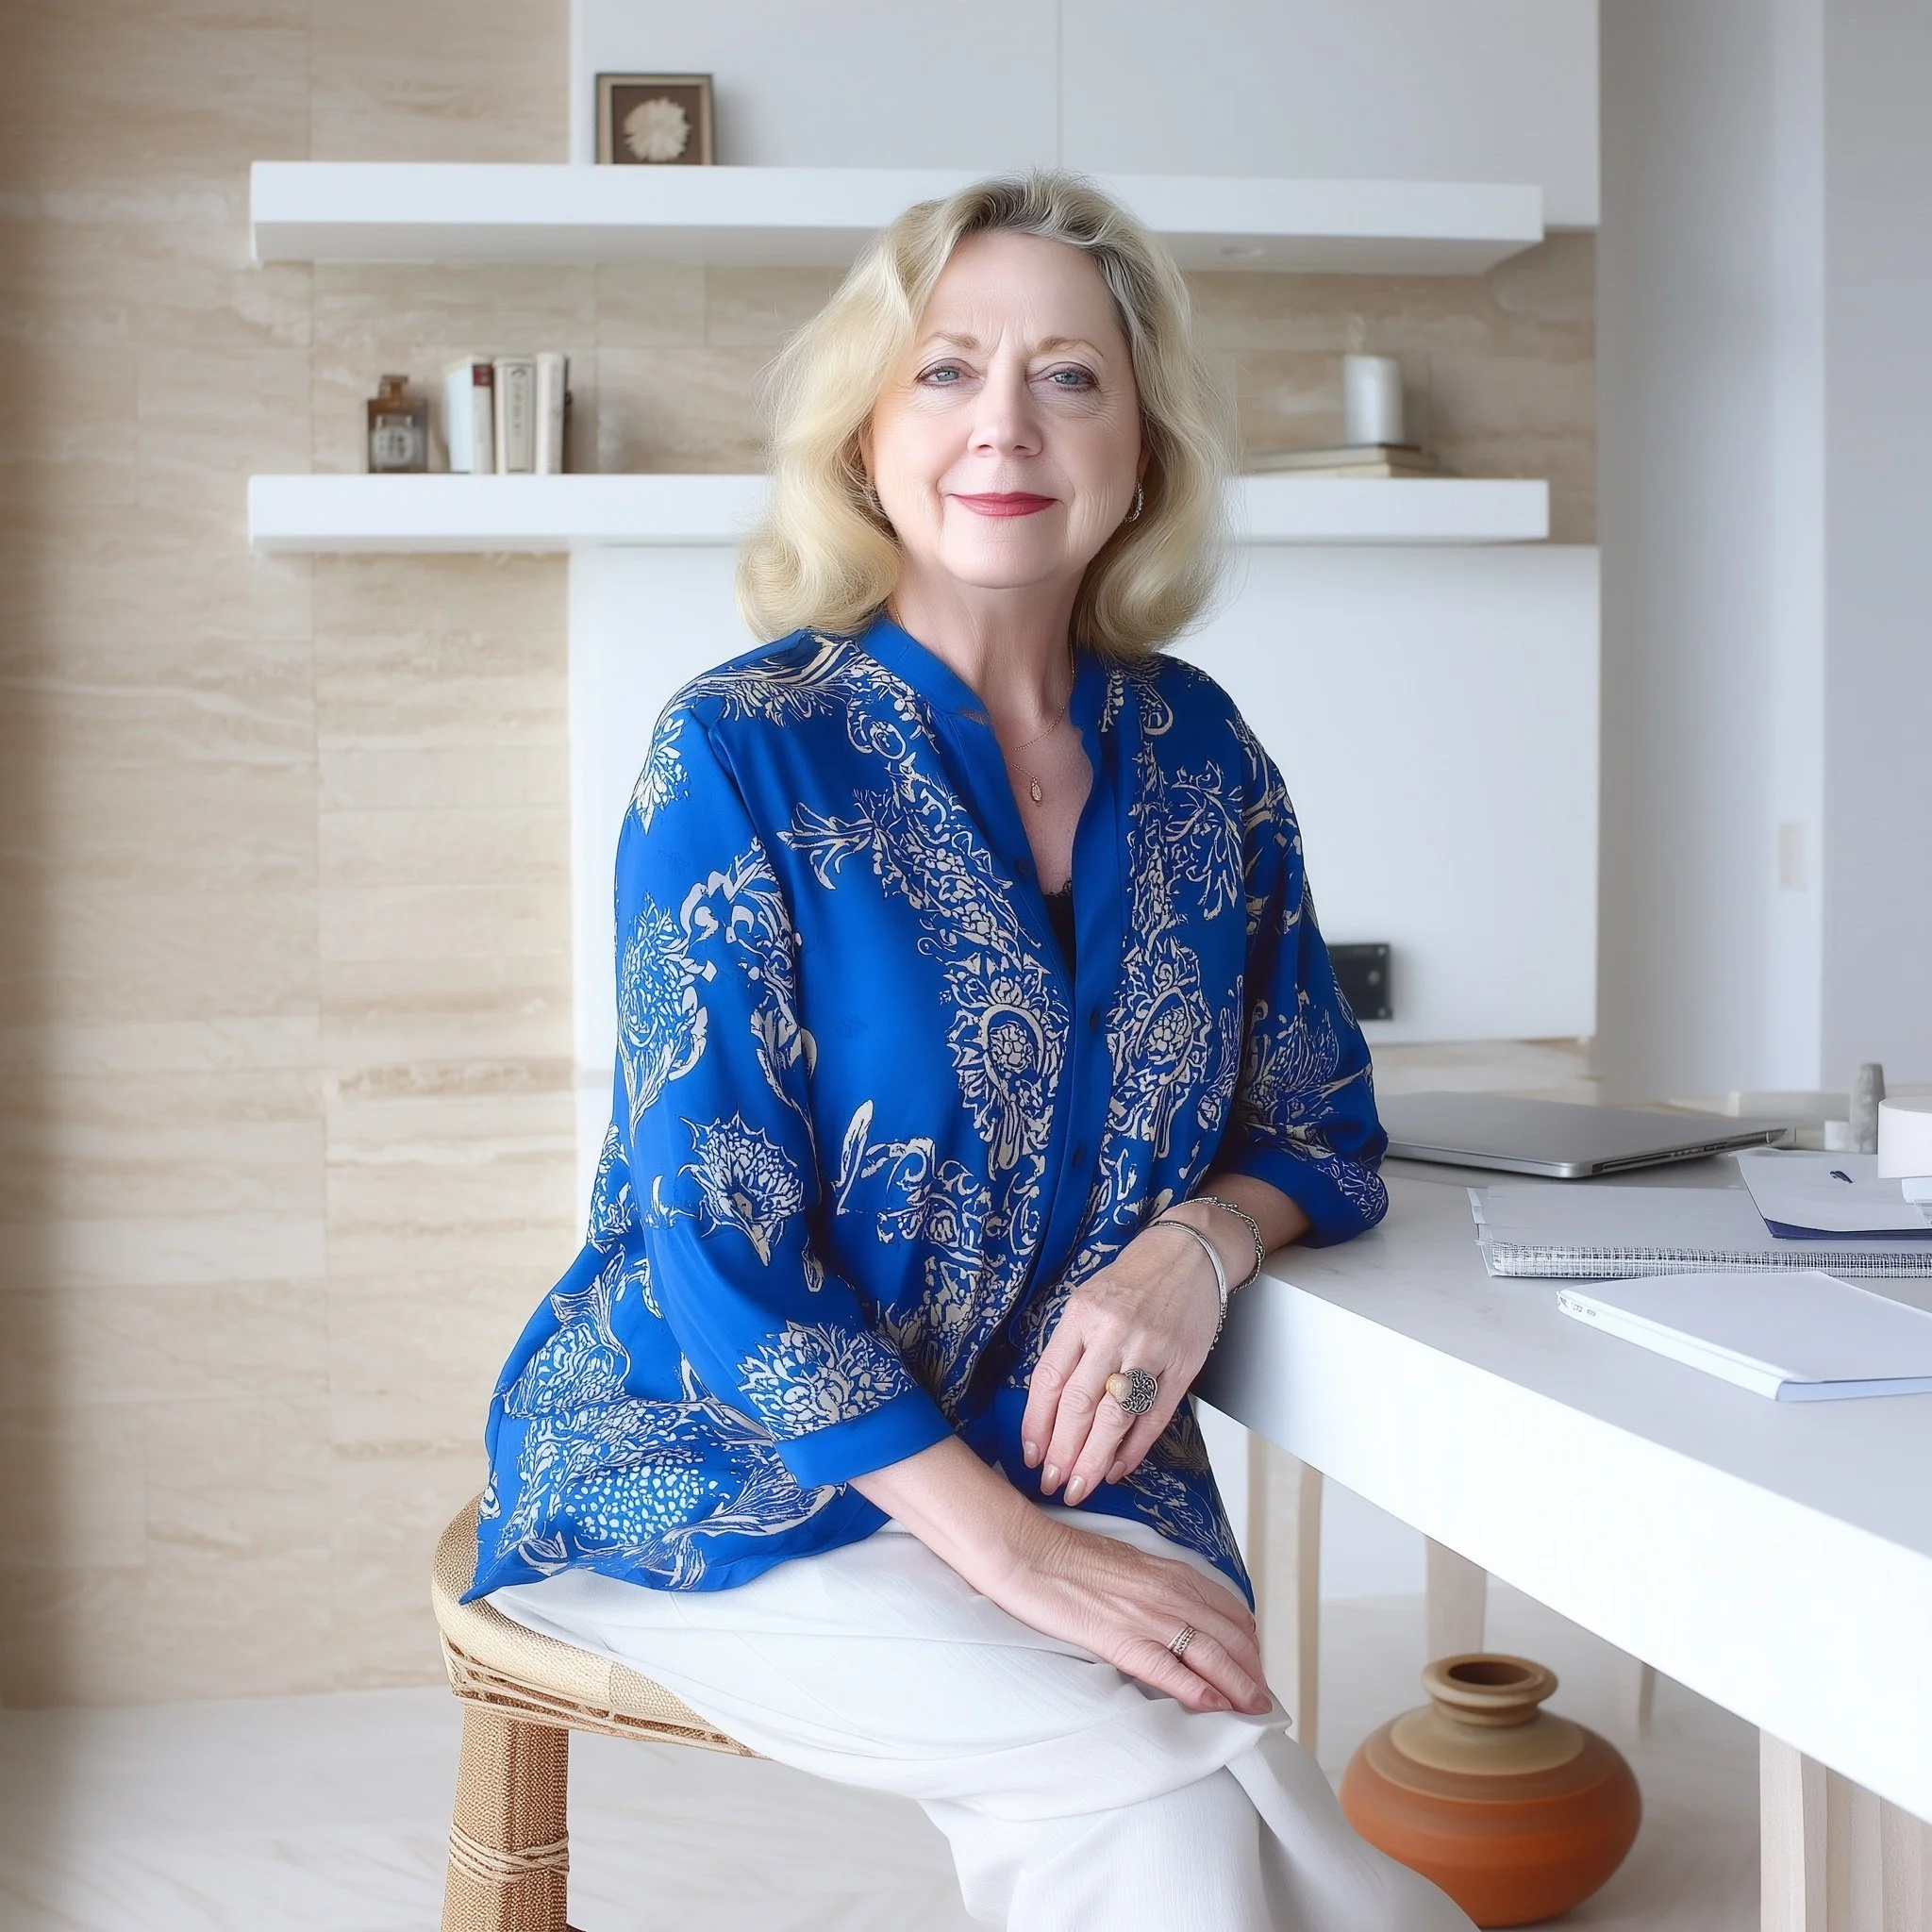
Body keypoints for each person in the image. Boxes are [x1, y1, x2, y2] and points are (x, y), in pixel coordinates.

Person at [469, 170, 1469, 1932]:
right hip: (719, 1462)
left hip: (1072, 1457)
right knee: (1167, 1781)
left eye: (1070, 376)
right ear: (868, 437)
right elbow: (719, 1250)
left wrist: (1197, 1247)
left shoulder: (1205, 756)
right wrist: (1018, 1559)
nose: (1006, 422)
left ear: (1142, 448)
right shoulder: (737, 754)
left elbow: (1319, 1125)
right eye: (945, 371)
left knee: (1208, 1814)